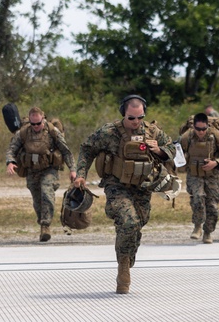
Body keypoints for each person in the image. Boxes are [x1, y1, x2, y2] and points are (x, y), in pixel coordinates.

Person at [75, 95, 176, 294]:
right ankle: (123, 268)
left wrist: (161, 150)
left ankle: (128, 256)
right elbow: (87, 149)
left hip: (142, 188)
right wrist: (80, 175)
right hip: (116, 186)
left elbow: (173, 150)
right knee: (128, 222)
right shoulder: (109, 132)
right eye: (131, 118)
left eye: (140, 117)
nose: (136, 122)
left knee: (138, 225)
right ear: (123, 113)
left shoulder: (152, 132)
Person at [5, 106, 76, 242]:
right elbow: (11, 149)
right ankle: (42, 222)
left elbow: (66, 151)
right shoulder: (24, 133)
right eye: (33, 124)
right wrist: (10, 162)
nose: (36, 126)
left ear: (43, 119)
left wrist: (72, 170)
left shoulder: (52, 131)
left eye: (39, 123)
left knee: (46, 190)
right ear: (30, 122)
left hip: (49, 169)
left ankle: (45, 225)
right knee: (37, 200)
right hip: (31, 170)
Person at [179, 113, 219, 244]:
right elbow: (176, 154)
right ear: (194, 127)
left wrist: (215, 163)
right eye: (198, 129)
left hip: (212, 176)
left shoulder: (217, 136)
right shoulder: (186, 137)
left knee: (212, 207)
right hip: (194, 175)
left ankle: (208, 232)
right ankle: (197, 226)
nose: (201, 132)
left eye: (204, 129)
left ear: (207, 126)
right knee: (198, 198)